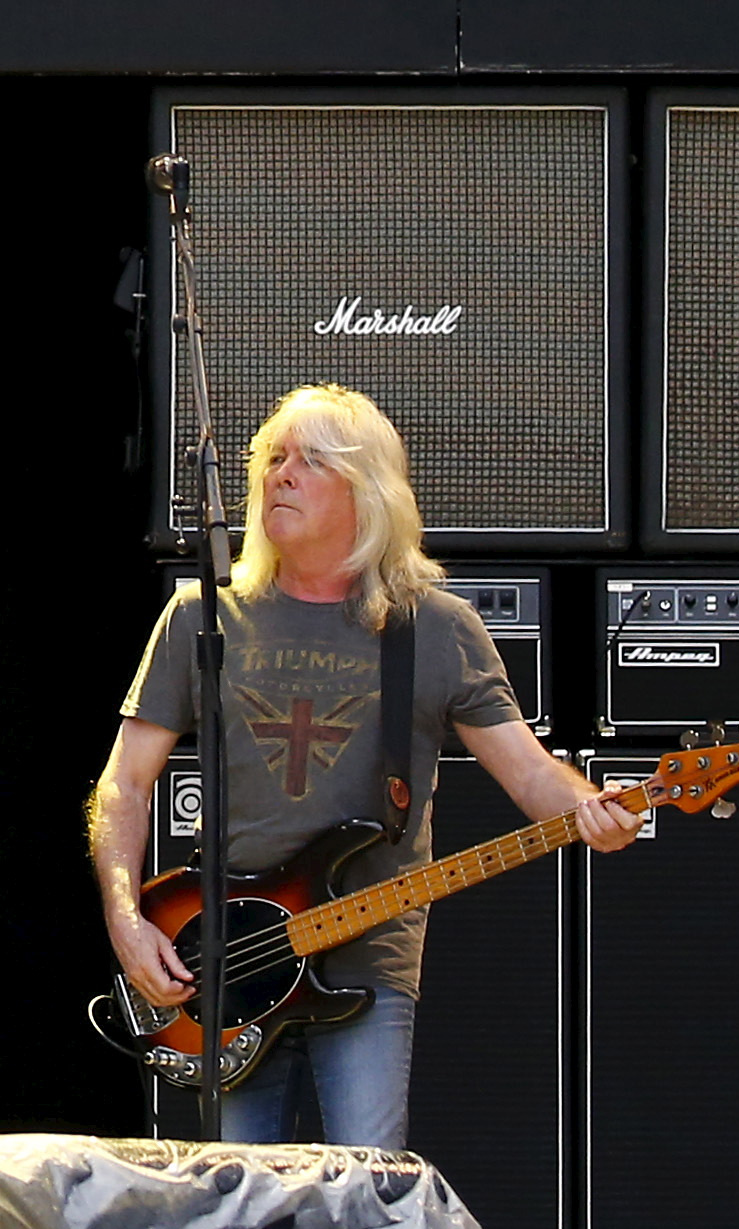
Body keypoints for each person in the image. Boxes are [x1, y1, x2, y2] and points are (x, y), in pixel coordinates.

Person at [87, 383, 641, 1149]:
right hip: (225, 961)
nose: (280, 474)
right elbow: (124, 783)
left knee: (368, 1185)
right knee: (239, 1198)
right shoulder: (203, 617)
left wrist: (592, 812)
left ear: (367, 492)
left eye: (310, 461)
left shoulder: (435, 628)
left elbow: (530, 774)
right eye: (273, 458)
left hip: (369, 961)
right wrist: (125, 919)